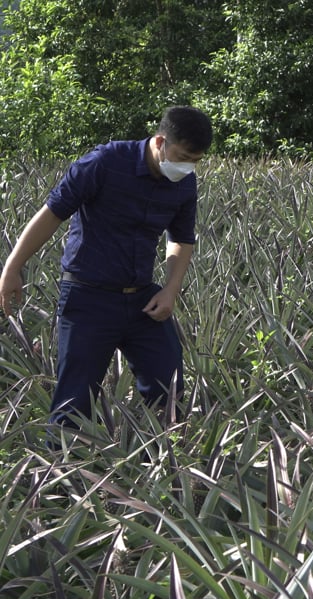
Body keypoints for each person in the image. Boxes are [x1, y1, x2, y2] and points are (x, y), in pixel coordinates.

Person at [0, 105, 212, 432]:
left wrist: (170, 289)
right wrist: (12, 267)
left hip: (142, 298)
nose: (186, 167)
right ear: (159, 141)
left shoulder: (183, 183)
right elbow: (52, 214)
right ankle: (59, 477)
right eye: (183, 156)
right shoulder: (105, 163)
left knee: (168, 388)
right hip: (88, 298)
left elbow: (181, 239)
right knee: (74, 403)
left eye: (195, 161)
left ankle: (156, 466)